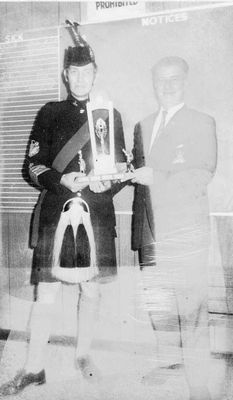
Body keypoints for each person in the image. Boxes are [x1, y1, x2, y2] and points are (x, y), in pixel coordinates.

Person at [0, 24, 126, 396]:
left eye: (87, 72)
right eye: (74, 72)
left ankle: (84, 355)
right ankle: (34, 367)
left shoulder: (110, 114)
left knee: (92, 292)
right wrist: (61, 180)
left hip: (97, 212)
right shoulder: (49, 112)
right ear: (65, 75)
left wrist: (111, 183)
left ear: (95, 74)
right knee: (47, 294)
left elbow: (119, 165)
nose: (81, 78)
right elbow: (32, 166)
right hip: (57, 211)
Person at [131, 56, 217, 400]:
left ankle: (198, 384)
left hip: (185, 231)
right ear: (153, 84)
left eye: (174, 80)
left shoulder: (201, 122)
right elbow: (135, 173)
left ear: (185, 82)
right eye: (160, 81)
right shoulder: (142, 125)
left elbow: (202, 174)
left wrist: (159, 179)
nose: (166, 87)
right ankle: (169, 363)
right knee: (161, 305)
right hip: (149, 229)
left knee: (192, 308)